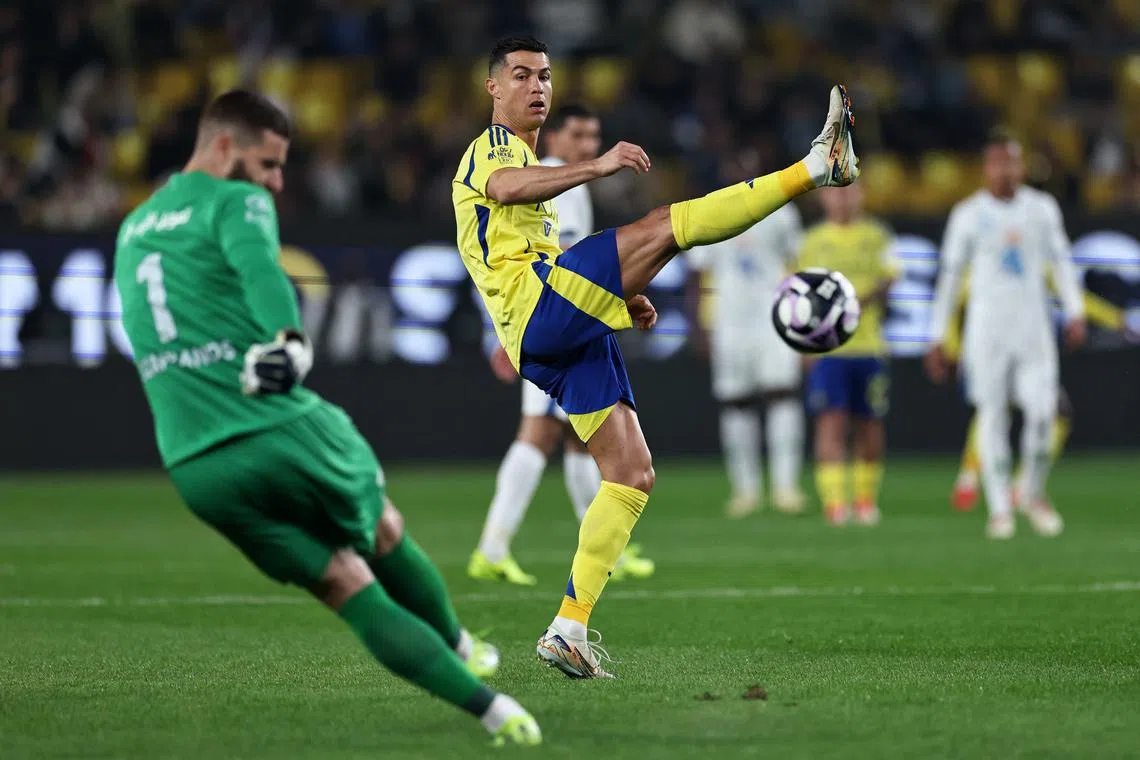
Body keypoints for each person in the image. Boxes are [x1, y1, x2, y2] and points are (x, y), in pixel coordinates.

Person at [113, 90, 541, 746]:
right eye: (267, 164)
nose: (275, 182)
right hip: (275, 428)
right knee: (383, 531)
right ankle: (462, 649)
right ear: (224, 147)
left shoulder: (133, 227)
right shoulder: (235, 201)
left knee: (344, 585)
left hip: (194, 465)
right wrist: (289, 339)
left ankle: (496, 714)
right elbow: (263, 272)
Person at [452, 35, 859, 678]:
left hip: (550, 324)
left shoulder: (533, 165)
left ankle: (568, 628)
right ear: (493, 87)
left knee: (631, 473)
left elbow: (538, 242)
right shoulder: (493, 147)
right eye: (522, 75)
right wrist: (596, 166)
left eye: (545, 76)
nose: (537, 87)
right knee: (668, 223)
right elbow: (503, 189)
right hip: (537, 308)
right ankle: (814, 167)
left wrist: (620, 294)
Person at [468, 103, 655, 585]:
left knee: (577, 439)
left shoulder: (560, 179)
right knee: (538, 433)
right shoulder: (554, 178)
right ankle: (492, 547)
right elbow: (561, 256)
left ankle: (605, 546)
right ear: (554, 138)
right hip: (551, 319)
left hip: (546, 317)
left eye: (594, 137)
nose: (588, 146)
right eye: (578, 135)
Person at [926, 129, 1086, 540]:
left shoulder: (1042, 208)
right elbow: (949, 278)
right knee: (992, 414)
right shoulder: (967, 214)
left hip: (1033, 327)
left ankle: (1030, 492)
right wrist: (937, 335)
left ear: (1022, 166)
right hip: (986, 331)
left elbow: (1061, 261)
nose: (1005, 171)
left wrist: (1075, 311)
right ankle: (999, 509)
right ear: (986, 168)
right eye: (998, 163)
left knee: (1043, 414)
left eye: (1012, 162)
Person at [687, 151, 806, 518]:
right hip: (728, 322)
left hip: (774, 318)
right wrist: (699, 326)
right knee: (736, 401)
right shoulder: (710, 209)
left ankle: (786, 487)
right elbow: (698, 274)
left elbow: (796, 268)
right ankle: (745, 490)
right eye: (736, 166)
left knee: (782, 394)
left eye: (748, 166)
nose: (742, 172)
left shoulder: (782, 211)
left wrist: (800, 323)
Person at [945, 276, 1125, 513]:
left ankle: (969, 480)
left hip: (985, 352)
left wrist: (953, 348)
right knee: (1054, 412)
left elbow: (954, 306)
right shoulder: (1032, 261)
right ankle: (1022, 487)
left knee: (993, 411)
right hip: (1017, 353)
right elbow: (1070, 294)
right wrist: (1114, 319)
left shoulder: (977, 266)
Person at [798, 183, 899, 526]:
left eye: (850, 191)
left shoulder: (877, 236)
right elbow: (798, 296)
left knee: (870, 424)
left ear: (861, 195)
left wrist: (852, 303)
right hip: (828, 349)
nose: (843, 198)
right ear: (823, 196)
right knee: (831, 422)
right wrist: (804, 344)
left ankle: (865, 501)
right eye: (836, 192)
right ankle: (835, 504)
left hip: (869, 346)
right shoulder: (812, 241)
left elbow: (890, 280)